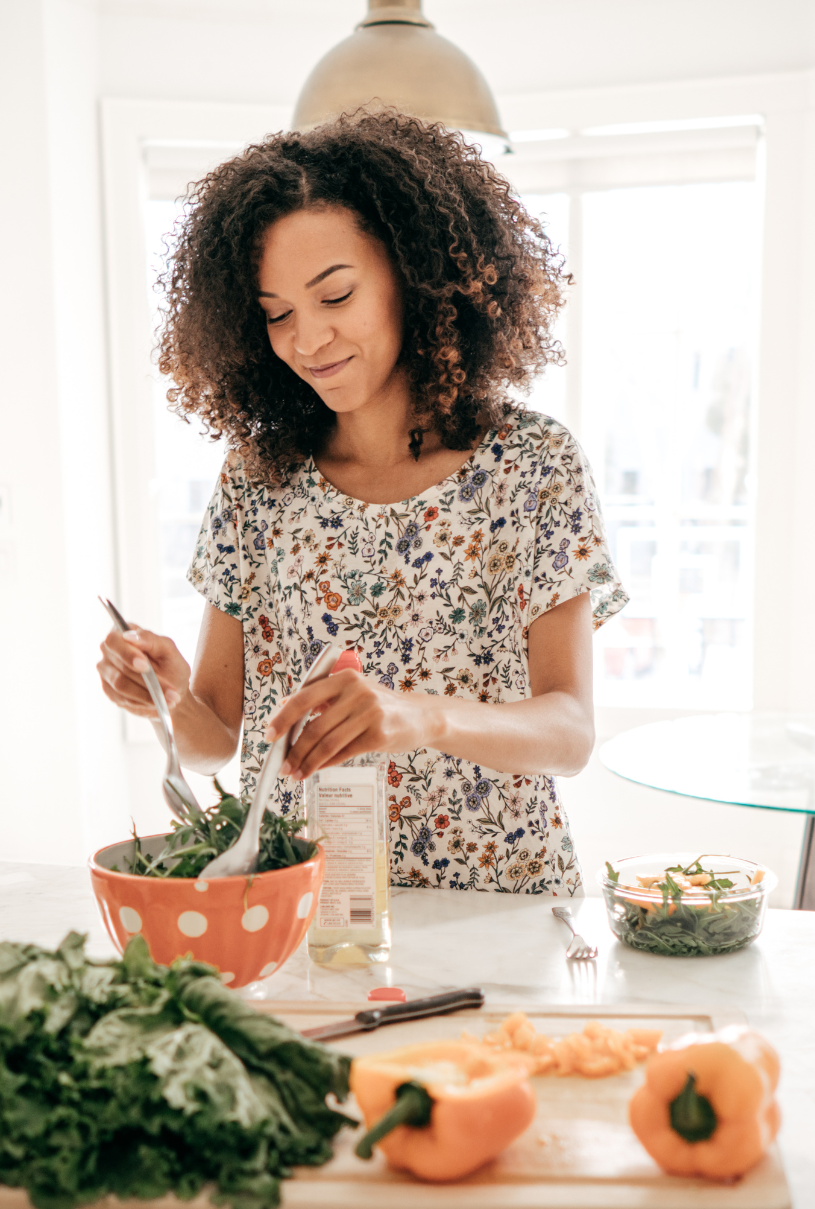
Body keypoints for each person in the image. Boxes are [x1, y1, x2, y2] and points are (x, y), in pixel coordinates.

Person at [96, 109, 626, 896]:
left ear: (414, 275)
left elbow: (571, 733)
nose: (306, 341)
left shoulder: (531, 466)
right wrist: (168, 697)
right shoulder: (258, 480)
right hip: (305, 907)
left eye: (334, 296)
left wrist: (422, 715)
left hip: (496, 908)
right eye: (278, 314)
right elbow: (217, 738)